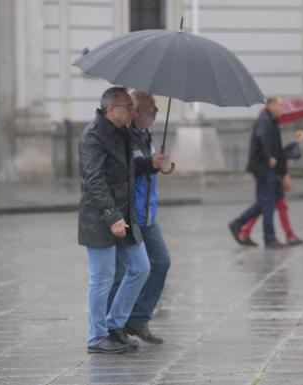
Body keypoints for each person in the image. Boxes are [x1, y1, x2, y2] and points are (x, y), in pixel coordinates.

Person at [78, 87, 153, 354]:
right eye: (128, 106)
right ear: (112, 109)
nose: (133, 111)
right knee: (102, 277)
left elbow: (126, 171)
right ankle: (97, 338)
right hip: (100, 216)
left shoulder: (123, 133)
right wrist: (112, 216)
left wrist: (152, 164)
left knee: (141, 268)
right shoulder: (93, 137)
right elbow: (94, 180)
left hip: (124, 215)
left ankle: (114, 325)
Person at [108, 90, 170, 345]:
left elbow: (146, 167)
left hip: (148, 215)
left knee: (161, 262)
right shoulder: (125, 137)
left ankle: (138, 318)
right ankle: (111, 326)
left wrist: (159, 164)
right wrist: (149, 163)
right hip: (129, 214)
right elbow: (126, 171)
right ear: (136, 110)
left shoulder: (147, 135)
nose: (156, 110)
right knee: (122, 273)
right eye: (152, 105)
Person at [228, 96, 288, 248]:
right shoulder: (264, 121)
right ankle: (269, 238)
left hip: (268, 168)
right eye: (280, 106)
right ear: (271, 106)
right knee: (267, 202)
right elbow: (261, 138)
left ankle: (237, 223)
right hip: (263, 168)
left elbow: (277, 147)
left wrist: (282, 171)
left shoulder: (272, 122)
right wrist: (269, 157)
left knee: (265, 202)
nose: (282, 109)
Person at [237, 178, 303, 246]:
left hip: (268, 180)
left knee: (268, 207)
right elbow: (275, 168)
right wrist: (284, 176)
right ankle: (289, 236)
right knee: (274, 206)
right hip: (272, 181)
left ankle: (244, 233)